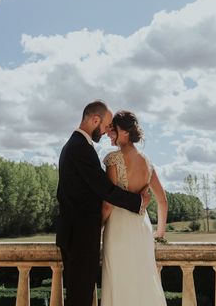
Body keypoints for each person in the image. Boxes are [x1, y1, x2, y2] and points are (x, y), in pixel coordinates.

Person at [56, 101, 151, 306]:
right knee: (79, 298)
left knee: (79, 296)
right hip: (80, 237)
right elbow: (105, 190)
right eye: (106, 125)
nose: (108, 130)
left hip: (76, 235)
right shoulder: (79, 147)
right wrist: (138, 201)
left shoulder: (76, 145)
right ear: (95, 120)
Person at [100, 110, 168, 306]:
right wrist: (160, 232)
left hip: (118, 228)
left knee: (120, 280)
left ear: (126, 133)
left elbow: (108, 203)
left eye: (114, 130)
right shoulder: (148, 162)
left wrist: (98, 227)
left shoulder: (113, 159)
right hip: (142, 228)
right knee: (143, 279)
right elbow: (162, 200)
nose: (109, 134)